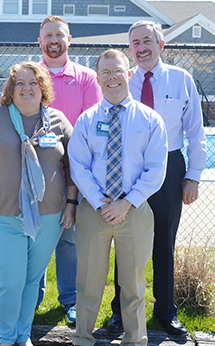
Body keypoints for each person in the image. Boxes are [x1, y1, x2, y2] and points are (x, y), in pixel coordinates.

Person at [0, 61, 76, 346]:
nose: (27, 88)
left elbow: (74, 167)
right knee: (11, 282)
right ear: (11, 90)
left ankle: (23, 335)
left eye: (33, 83)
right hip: (3, 217)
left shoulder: (59, 121)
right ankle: (7, 336)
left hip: (49, 217)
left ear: (43, 89)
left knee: (31, 280)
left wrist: (71, 204)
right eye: (20, 84)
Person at [107, 21, 207, 336]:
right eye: (135, 42)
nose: (141, 48)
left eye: (147, 40)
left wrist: (193, 176)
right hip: (130, 169)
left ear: (161, 44)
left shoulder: (181, 79)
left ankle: (165, 311)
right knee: (126, 242)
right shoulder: (122, 81)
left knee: (164, 241)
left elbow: (195, 132)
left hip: (169, 165)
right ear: (130, 48)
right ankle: (120, 312)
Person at [68, 49, 168, 346]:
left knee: (134, 285)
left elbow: (155, 169)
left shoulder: (150, 120)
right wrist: (101, 202)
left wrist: (126, 202)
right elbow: (79, 166)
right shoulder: (86, 121)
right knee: (88, 281)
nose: (112, 77)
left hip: (134, 210)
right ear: (97, 78)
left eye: (118, 71)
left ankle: (135, 340)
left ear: (129, 73)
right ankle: (83, 339)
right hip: (93, 211)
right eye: (106, 72)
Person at [36, 15, 102, 323]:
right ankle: (31, 296)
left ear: (69, 40)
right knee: (33, 236)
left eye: (59, 35)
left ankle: (70, 299)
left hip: (75, 174)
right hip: (35, 174)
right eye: (48, 35)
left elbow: (91, 128)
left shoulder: (87, 78)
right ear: (39, 41)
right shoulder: (30, 75)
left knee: (68, 238)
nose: (53, 40)